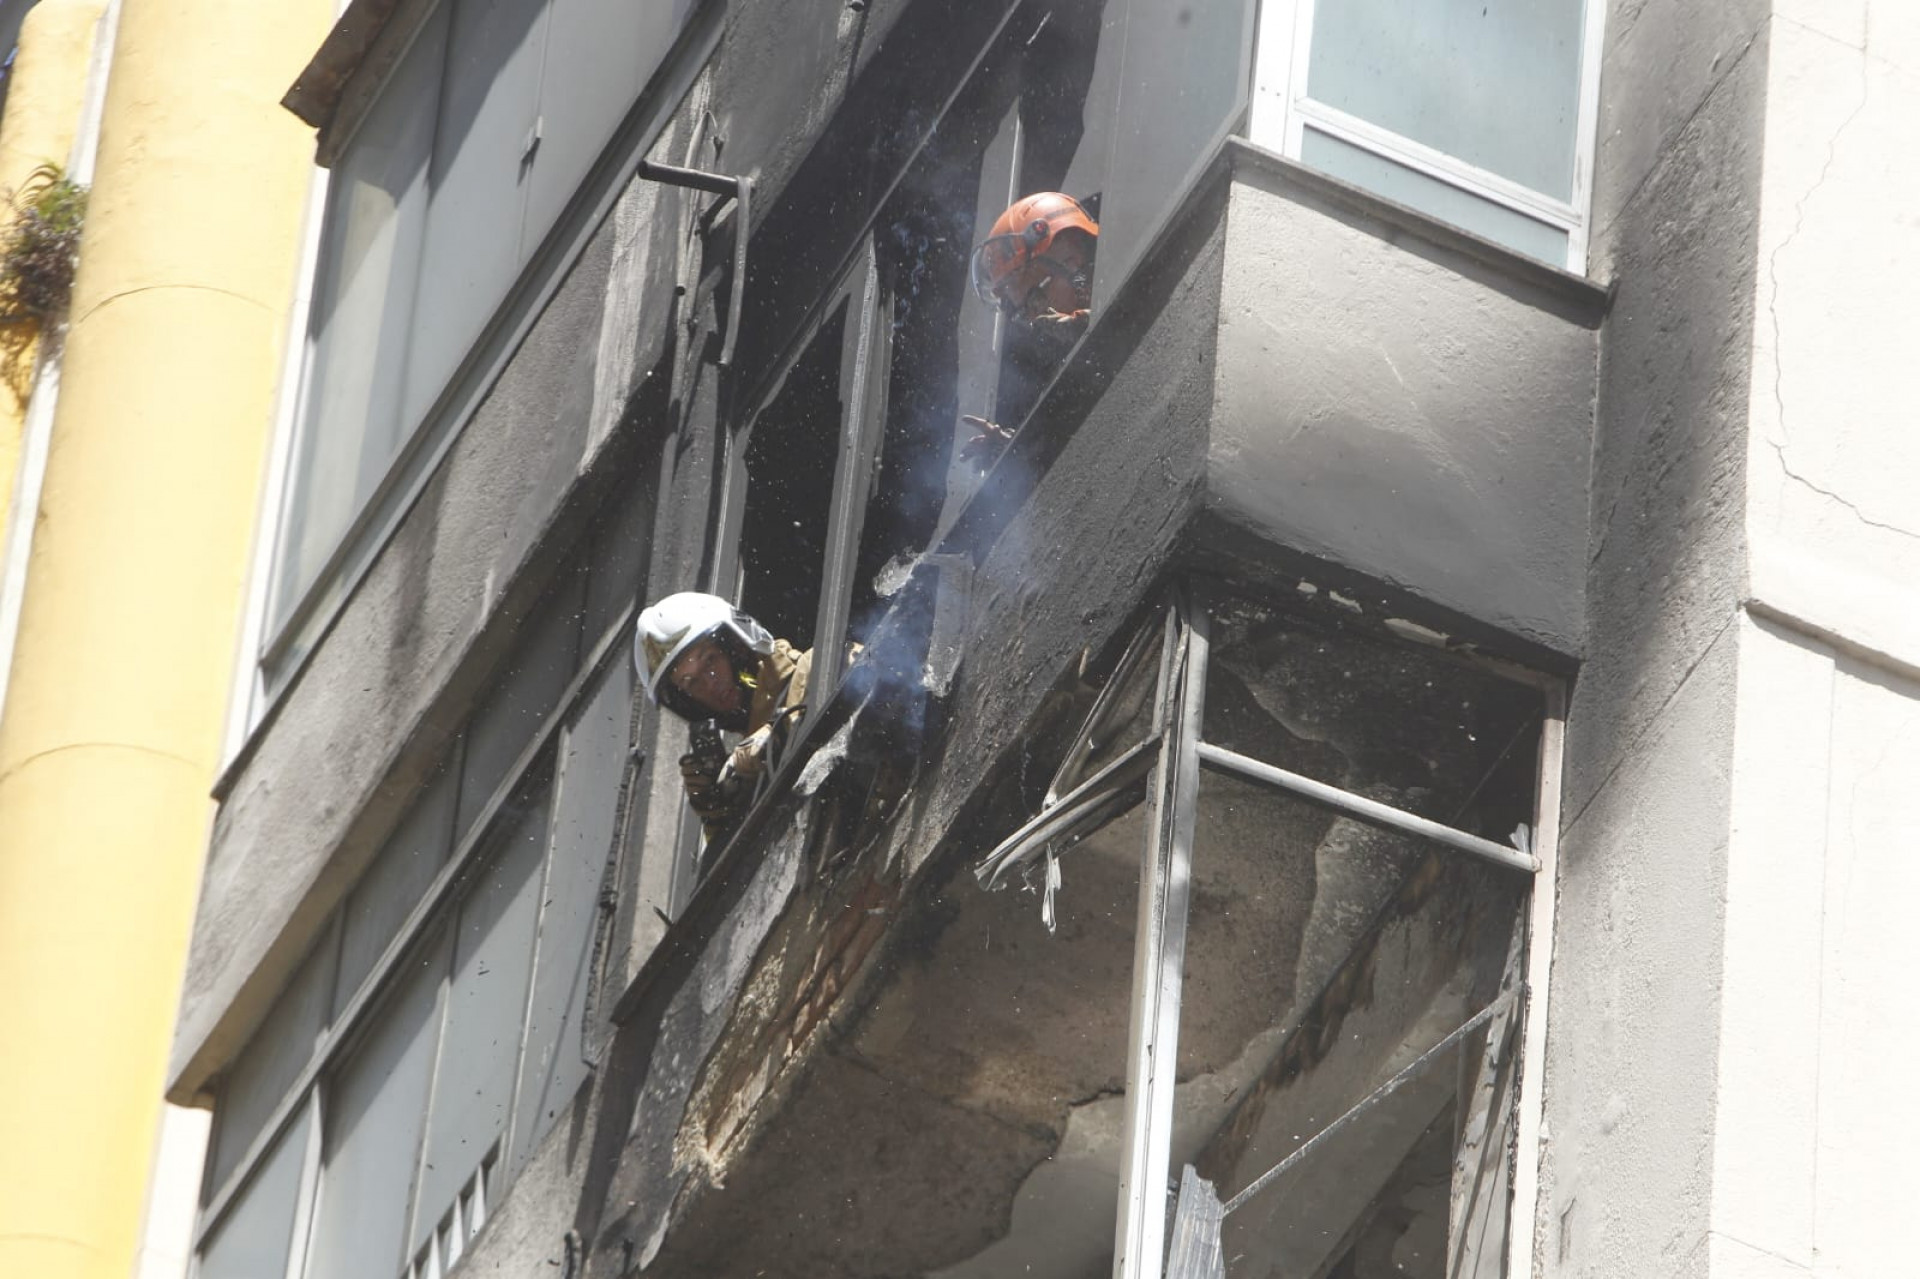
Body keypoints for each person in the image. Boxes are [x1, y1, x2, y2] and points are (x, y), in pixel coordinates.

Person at [635, 591, 814, 841]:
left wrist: (774, 738)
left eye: (710, 660)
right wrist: (718, 810)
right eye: (691, 682)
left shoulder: (816, 668)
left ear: (736, 647)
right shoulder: (747, 772)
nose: (709, 684)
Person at [961, 191, 1099, 467]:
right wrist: (1018, 450)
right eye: (1027, 312)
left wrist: (1085, 328)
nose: (1038, 319)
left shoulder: (1152, 276)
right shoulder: (1069, 368)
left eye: (1037, 299)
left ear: (1071, 263)